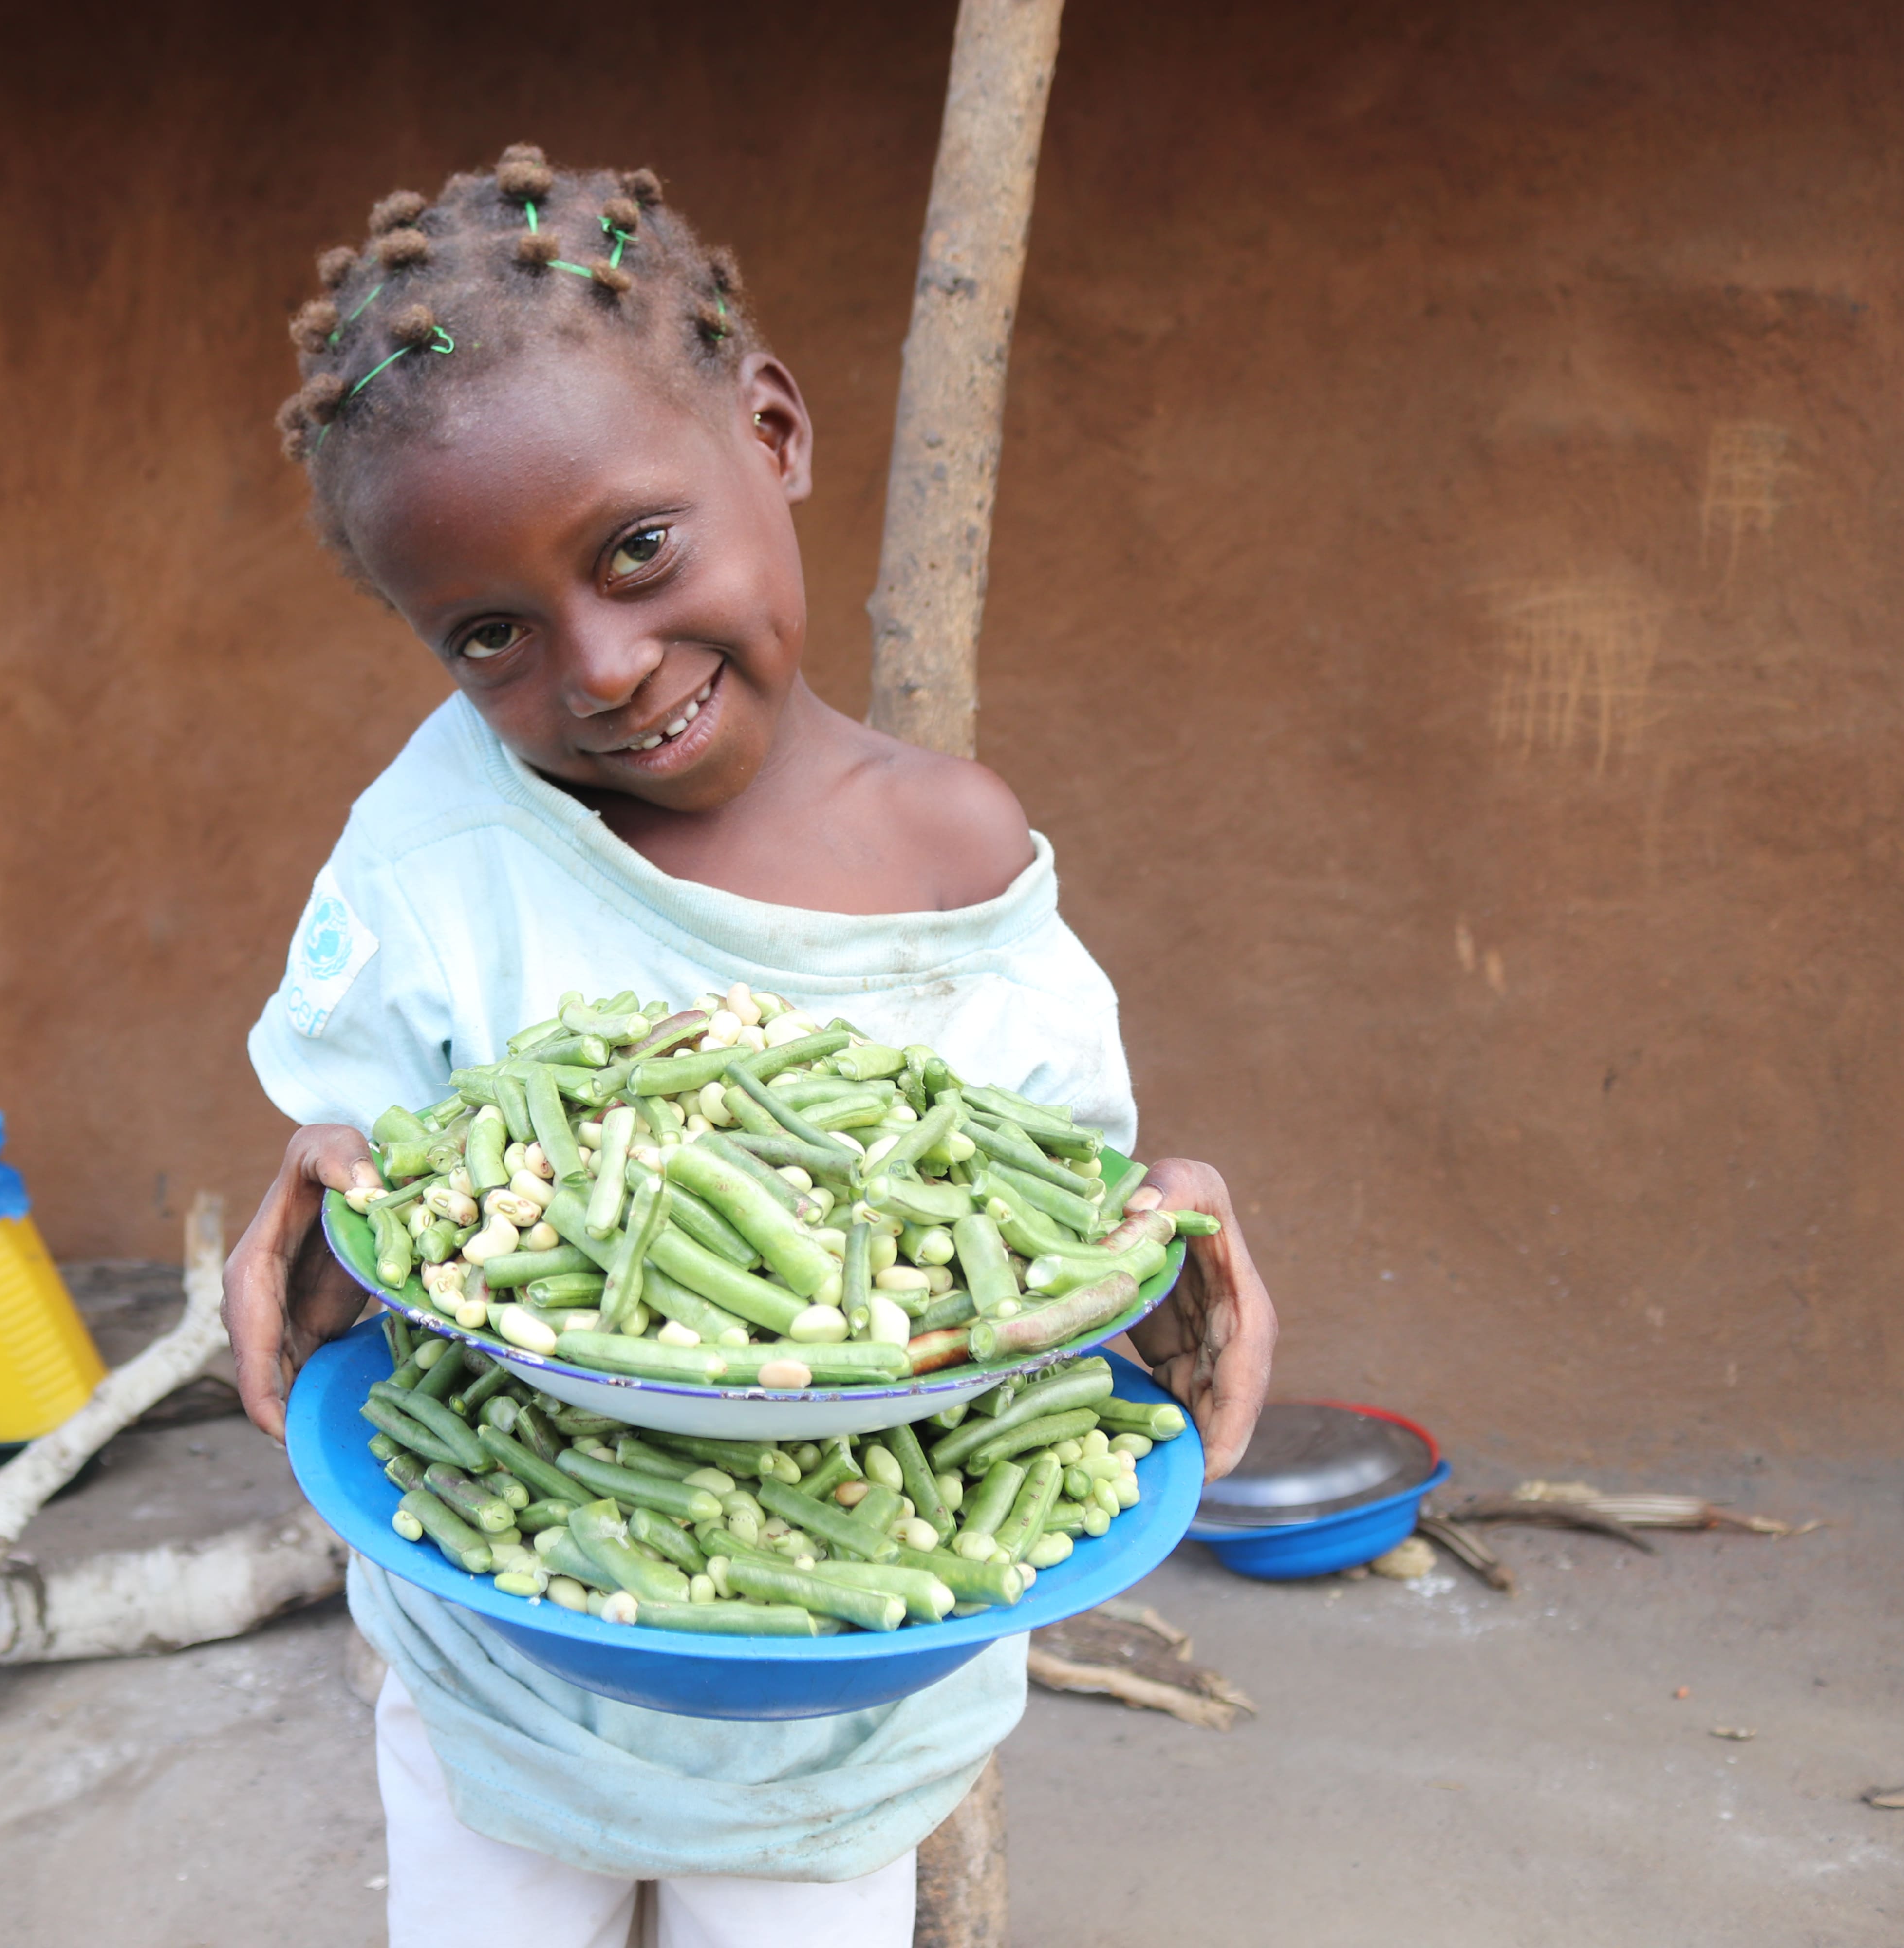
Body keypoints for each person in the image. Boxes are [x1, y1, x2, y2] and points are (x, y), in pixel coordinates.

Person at [225, 145, 1278, 1948]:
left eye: (638, 551)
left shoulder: (947, 850)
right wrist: (321, 1190)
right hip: (507, 1637)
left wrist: (1161, 1223)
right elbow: (378, 1171)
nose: (606, 666)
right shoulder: (443, 846)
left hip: (841, 1677)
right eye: (492, 636)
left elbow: (1048, 1201)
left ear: (772, 434)